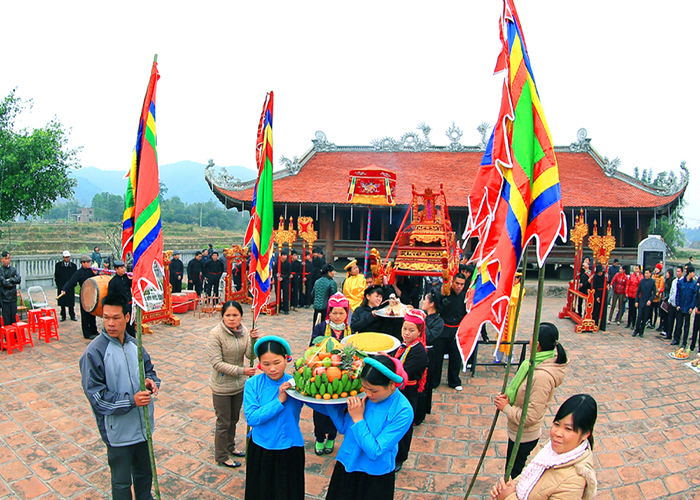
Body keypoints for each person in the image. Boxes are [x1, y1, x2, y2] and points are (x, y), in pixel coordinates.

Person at [79, 293, 160, 500]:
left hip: (143, 428)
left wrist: (151, 382)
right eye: (106, 318)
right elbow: (97, 397)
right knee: (122, 483)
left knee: (144, 474)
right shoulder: (94, 352)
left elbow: (150, 371)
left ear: (127, 317)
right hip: (118, 433)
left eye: (115, 318)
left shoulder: (136, 344)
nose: (110, 323)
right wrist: (131, 400)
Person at [310, 355, 413, 500]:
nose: (369, 394)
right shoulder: (364, 396)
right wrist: (331, 400)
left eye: (374, 390)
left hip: (374, 475)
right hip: (347, 465)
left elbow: (375, 451)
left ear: (391, 384)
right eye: (365, 387)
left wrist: (358, 418)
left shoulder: (402, 411)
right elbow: (344, 427)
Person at [494, 323, 568, 479]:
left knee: (513, 475)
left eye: (532, 338)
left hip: (524, 435)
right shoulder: (533, 364)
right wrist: (510, 397)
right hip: (516, 431)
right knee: (512, 469)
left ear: (538, 344)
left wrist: (506, 408)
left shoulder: (542, 376)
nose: (529, 342)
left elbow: (530, 416)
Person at [490, 394, 598, 500]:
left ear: (585, 434)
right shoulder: (549, 449)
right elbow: (527, 476)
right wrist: (508, 487)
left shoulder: (574, 481)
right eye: (556, 424)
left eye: (568, 429)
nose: (558, 433)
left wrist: (508, 497)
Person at [243, 336, 304, 500]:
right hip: (263, 447)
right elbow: (252, 418)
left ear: (286, 359)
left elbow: (319, 403)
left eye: (277, 362)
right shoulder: (252, 384)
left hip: (290, 447)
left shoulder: (296, 384)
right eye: (266, 364)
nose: (272, 369)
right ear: (259, 364)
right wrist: (279, 401)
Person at [208, 301, 259, 468]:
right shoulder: (216, 334)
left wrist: (253, 340)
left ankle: (230, 447)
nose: (231, 318)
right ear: (222, 316)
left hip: (239, 385)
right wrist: (241, 371)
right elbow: (217, 363)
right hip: (222, 385)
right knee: (223, 421)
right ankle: (221, 455)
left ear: (241, 317)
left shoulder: (244, 331)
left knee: (234, 419)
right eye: (228, 315)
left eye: (235, 315)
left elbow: (251, 355)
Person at [310, 293, 353, 455]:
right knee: (321, 410)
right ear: (329, 312)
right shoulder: (321, 328)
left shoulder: (350, 330)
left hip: (342, 377)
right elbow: (313, 347)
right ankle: (320, 438)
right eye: (334, 312)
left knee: (338, 409)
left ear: (346, 313)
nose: (338, 316)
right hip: (321, 375)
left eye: (342, 313)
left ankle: (332, 438)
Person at [393, 309, 429, 472]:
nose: (406, 333)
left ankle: (401, 456)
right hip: (399, 391)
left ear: (420, 331)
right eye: (404, 329)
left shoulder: (419, 352)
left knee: (404, 425)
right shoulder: (405, 346)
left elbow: (403, 373)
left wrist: (387, 362)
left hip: (408, 392)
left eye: (411, 330)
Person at [432, 273, 467, 391]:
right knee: (437, 358)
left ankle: (454, 381)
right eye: (457, 283)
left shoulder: (465, 296)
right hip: (443, 329)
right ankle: (434, 381)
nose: (459, 286)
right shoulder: (444, 293)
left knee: (456, 358)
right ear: (452, 282)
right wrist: (440, 296)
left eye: (462, 284)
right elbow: (438, 309)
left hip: (457, 330)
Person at [418, 291, 443, 424]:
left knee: (424, 384)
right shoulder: (424, 316)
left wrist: (422, 321)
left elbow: (430, 337)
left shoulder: (439, 321)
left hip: (428, 353)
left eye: (425, 300)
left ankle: (420, 414)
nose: (423, 302)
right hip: (417, 352)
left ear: (432, 304)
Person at [62, 255, 100, 340]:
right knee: (85, 315)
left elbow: (98, 279)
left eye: (89, 262)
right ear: (83, 263)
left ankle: (94, 330)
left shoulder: (91, 271)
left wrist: (96, 274)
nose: (89, 264)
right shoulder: (79, 273)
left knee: (92, 313)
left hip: (92, 294)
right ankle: (87, 333)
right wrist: (64, 289)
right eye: (87, 262)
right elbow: (71, 281)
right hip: (84, 295)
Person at [497, 272, 525, 363]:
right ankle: (498, 357)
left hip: (512, 316)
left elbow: (513, 299)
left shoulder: (521, 289)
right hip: (504, 315)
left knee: (511, 337)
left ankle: (509, 359)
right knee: (500, 336)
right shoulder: (506, 286)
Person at [107, 260, 135, 336]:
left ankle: (132, 337)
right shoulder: (113, 282)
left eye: (124, 267)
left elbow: (133, 285)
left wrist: (132, 279)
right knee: (121, 323)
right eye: (121, 268)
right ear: (116, 269)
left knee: (130, 322)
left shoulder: (126, 277)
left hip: (129, 304)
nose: (124, 269)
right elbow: (110, 296)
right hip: (120, 306)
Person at [672, 265, 697, 347]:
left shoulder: (694, 284)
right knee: (678, 324)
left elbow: (694, 296)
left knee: (686, 326)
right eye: (692, 272)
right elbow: (678, 294)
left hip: (688, 308)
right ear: (689, 273)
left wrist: (692, 307)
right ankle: (676, 339)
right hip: (681, 306)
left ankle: (684, 343)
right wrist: (678, 304)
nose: (693, 274)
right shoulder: (682, 282)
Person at [55, 250, 78, 322]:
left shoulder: (73, 266)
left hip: (70, 287)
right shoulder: (58, 265)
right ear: (63, 257)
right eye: (66, 257)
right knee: (62, 302)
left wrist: (73, 284)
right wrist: (59, 285)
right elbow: (56, 276)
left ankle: (72, 315)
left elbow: (75, 277)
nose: (67, 258)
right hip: (61, 286)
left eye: (68, 257)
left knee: (70, 302)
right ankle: (63, 316)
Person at [313, 263, 337, 328]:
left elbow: (313, 294)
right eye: (333, 271)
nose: (334, 273)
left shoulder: (317, 281)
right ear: (329, 272)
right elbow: (333, 297)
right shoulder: (332, 282)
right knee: (325, 327)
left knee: (316, 326)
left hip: (317, 307)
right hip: (327, 308)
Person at [633, 268, 656, 338]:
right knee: (639, 317)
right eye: (645, 273)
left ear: (650, 274)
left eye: (647, 273)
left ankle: (641, 331)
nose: (646, 275)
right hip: (641, 301)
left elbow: (654, 293)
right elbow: (638, 292)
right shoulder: (642, 281)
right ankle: (636, 330)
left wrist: (650, 300)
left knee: (645, 318)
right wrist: (636, 301)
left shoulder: (652, 282)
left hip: (647, 302)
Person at [0, 251, 21, 327]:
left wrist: (10, 280)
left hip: (13, 297)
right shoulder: (1, 270)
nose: (7, 260)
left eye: (8, 258)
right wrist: (12, 282)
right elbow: (3, 282)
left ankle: (14, 336)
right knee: (6, 319)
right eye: (5, 259)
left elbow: (18, 279)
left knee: (13, 318)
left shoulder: (13, 269)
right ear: (2, 259)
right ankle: (7, 336)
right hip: (5, 298)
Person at [663, 266, 683, 340]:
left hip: (678, 306)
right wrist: (669, 301)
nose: (678, 273)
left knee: (678, 323)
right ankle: (669, 334)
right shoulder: (674, 281)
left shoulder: (682, 281)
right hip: (672, 303)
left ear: (682, 272)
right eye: (677, 271)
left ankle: (677, 338)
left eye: (679, 271)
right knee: (670, 321)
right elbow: (672, 291)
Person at [590, 265, 606, 329]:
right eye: (599, 273)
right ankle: (595, 323)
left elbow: (608, 282)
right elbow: (594, 287)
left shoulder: (605, 276)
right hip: (597, 292)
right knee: (596, 308)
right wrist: (597, 296)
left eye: (601, 272)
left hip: (604, 292)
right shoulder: (595, 277)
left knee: (603, 309)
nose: (600, 274)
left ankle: (602, 325)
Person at [650, 264, 664, 329]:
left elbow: (661, 287)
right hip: (651, 296)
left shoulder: (661, 278)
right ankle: (650, 322)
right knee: (650, 311)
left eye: (657, 269)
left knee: (655, 311)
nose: (656, 270)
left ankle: (654, 323)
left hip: (656, 298)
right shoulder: (653, 276)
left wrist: (656, 294)